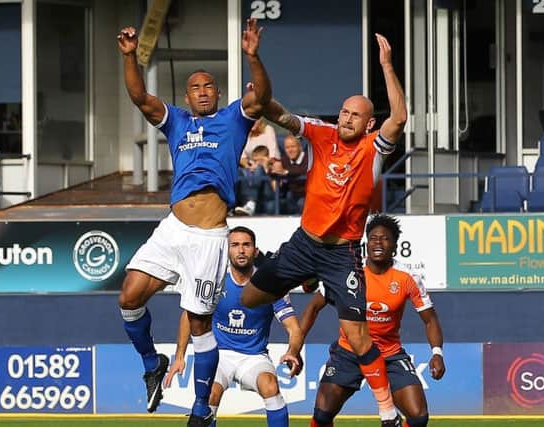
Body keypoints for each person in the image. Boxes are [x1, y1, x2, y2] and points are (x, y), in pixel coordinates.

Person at [240, 33, 408, 427]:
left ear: (369, 123)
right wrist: (256, 68)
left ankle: (387, 413)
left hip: (340, 252)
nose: (347, 118)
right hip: (303, 245)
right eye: (345, 112)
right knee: (249, 298)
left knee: (358, 335)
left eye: (356, 115)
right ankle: (304, 277)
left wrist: (385, 65)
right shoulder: (320, 134)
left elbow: (398, 118)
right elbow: (277, 113)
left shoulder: (374, 149)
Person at [116, 18, 272, 427]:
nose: (202, 91)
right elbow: (139, 97)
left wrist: (253, 57)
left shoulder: (234, 118)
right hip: (173, 228)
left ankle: (202, 409)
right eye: (195, 87)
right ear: (187, 96)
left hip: (207, 236)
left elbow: (262, 99)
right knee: (129, 297)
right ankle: (152, 363)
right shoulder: (177, 121)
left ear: (218, 94)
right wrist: (131, 57)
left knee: (201, 324)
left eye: (209, 87)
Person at [300, 214, 445, 427]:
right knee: (322, 415)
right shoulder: (349, 274)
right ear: (366, 244)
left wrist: (437, 353)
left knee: (418, 417)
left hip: (389, 354)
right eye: (374, 238)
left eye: (385, 238)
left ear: (395, 247)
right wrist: (295, 347)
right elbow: (313, 307)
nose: (378, 242)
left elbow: (430, 319)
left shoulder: (407, 278)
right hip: (349, 352)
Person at [164, 226, 304, 427]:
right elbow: (189, 315)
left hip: (253, 357)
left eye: (246, 245)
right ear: (227, 249)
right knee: (210, 393)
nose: (241, 250)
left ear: (255, 251)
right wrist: (179, 357)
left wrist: (292, 351)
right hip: (218, 355)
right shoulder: (214, 280)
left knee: (270, 386)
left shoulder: (270, 285)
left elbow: (294, 328)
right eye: (235, 245)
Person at [234, 145, 277, 216]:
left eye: (260, 160)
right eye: (255, 161)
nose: (257, 163)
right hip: (252, 198)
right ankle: (248, 203)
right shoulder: (253, 171)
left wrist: (266, 170)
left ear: (268, 158)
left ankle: (251, 203)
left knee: (260, 169)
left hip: (266, 197)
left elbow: (276, 190)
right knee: (240, 171)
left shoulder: (273, 169)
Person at [274, 133, 308, 214]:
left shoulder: (308, 158)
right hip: (291, 195)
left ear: (299, 147)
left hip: (307, 195)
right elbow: (276, 173)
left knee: (301, 203)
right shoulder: (284, 160)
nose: (290, 150)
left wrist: (286, 172)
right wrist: (273, 169)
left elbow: (305, 171)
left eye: (293, 146)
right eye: (287, 147)